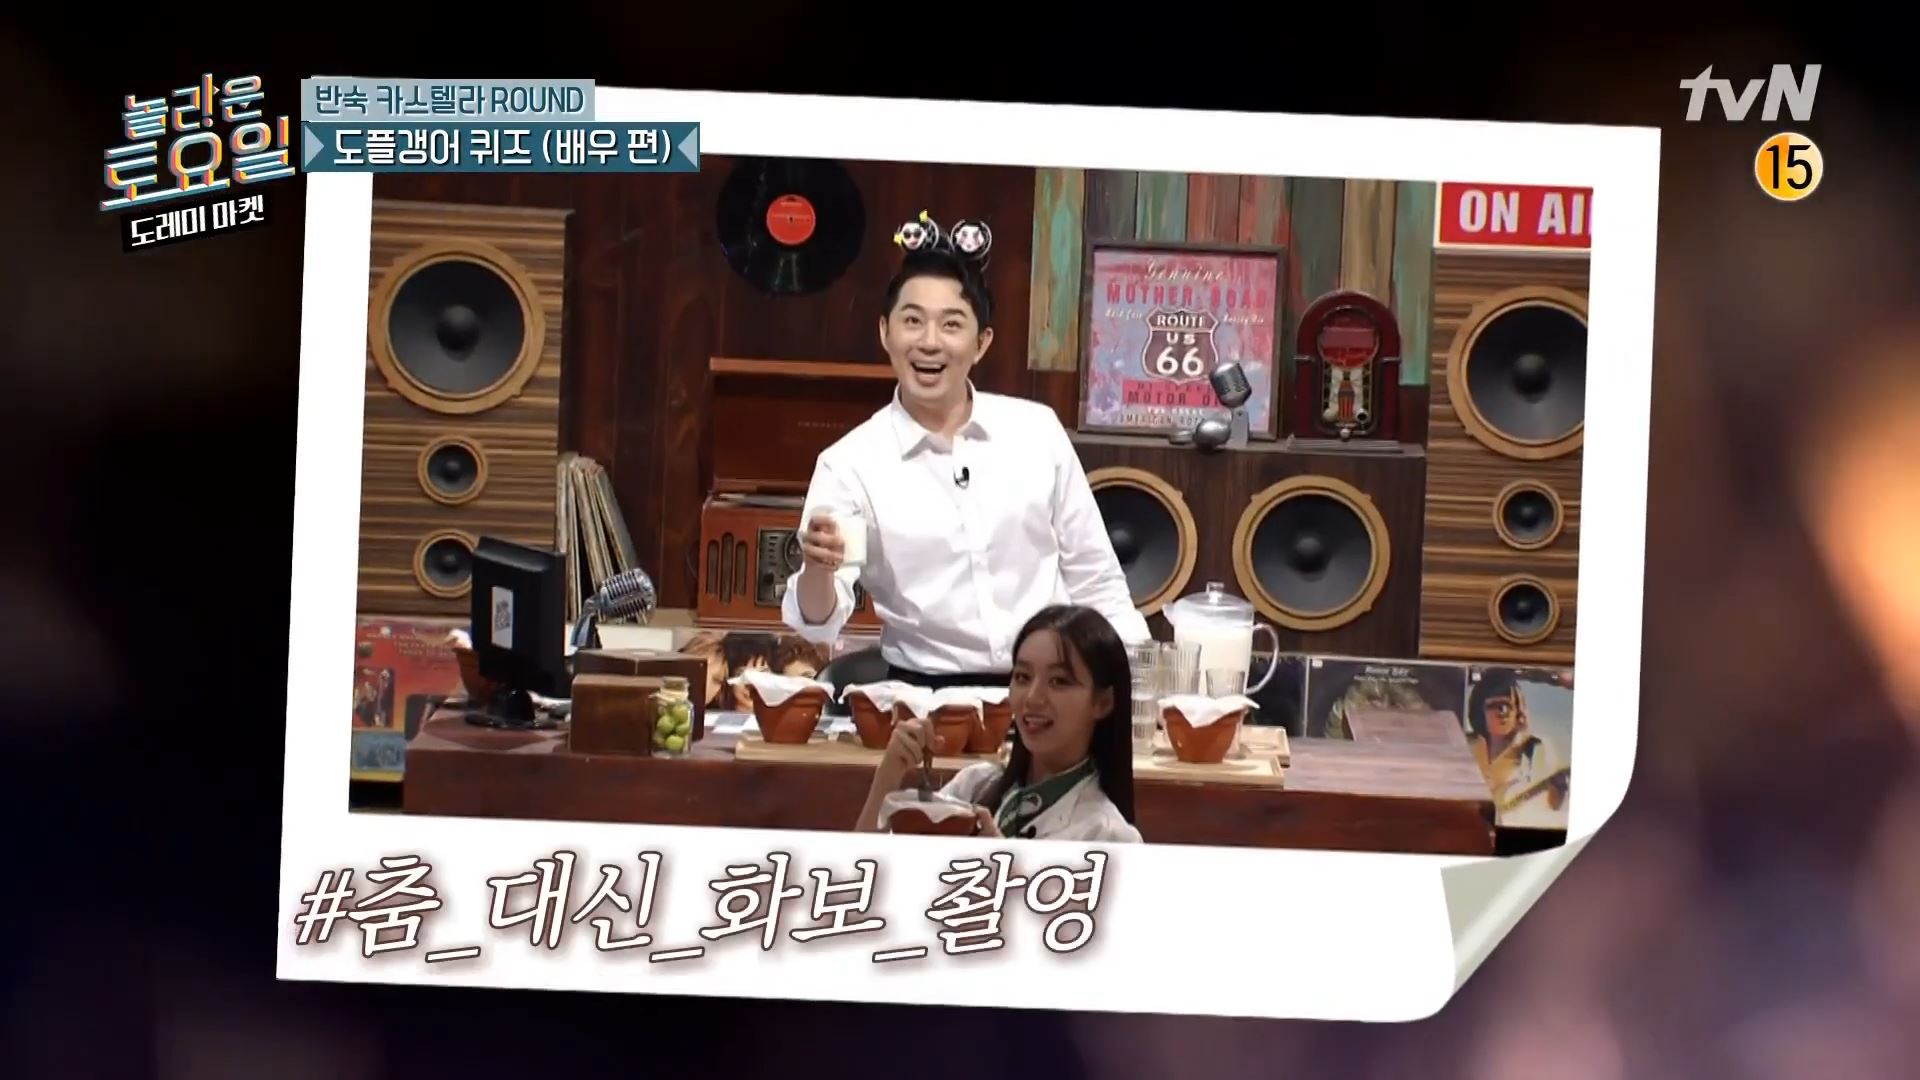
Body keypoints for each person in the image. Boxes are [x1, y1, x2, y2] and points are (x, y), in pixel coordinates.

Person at [782, 211, 1149, 690]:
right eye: (912, 321)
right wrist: (817, 568)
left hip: (1048, 692)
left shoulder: (1037, 431)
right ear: (885, 333)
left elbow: (1096, 580)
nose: (929, 342)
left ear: (981, 343)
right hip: (923, 701)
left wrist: (1138, 688)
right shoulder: (850, 463)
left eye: (951, 324)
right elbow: (818, 622)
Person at [854, 604, 1141, 842]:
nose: (1033, 698)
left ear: (1103, 702)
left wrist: (1000, 863)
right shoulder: (976, 784)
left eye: (1059, 681)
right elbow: (866, 873)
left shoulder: (1109, 834)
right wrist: (889, 773)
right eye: (1022, 677)